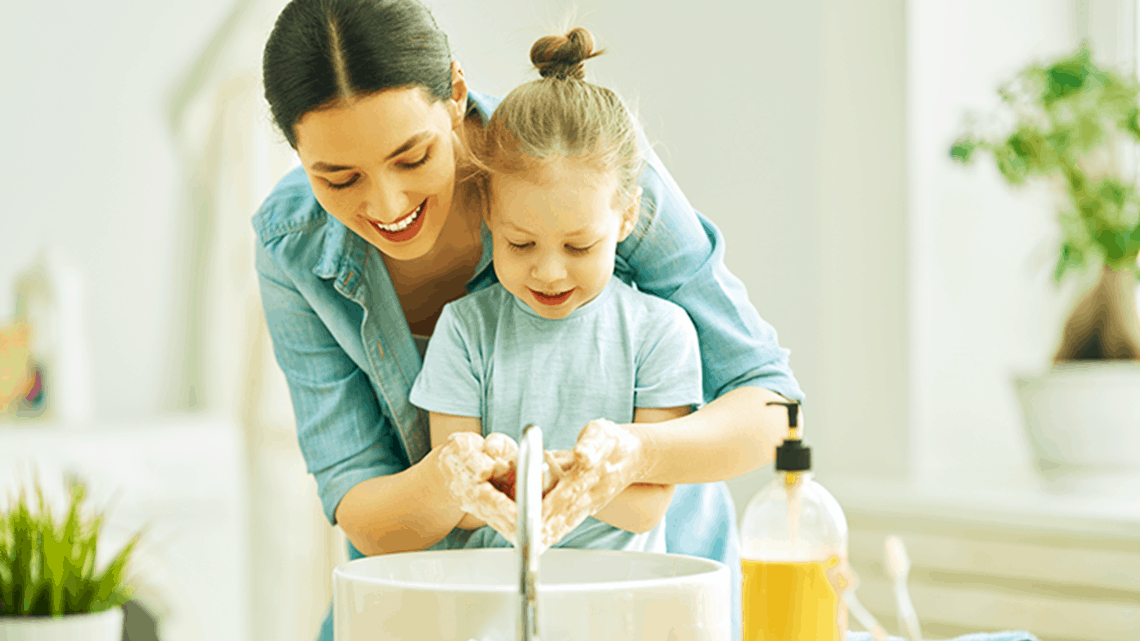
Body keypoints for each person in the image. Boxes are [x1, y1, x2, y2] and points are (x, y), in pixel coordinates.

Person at [254, 0, 804, 639]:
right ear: (296, 151)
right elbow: (362, 507)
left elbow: (770, 405)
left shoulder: (583, 163)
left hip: (645, 590)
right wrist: (447, 481)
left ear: (455, 94)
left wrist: (635, 455)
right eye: (339, 177)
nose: (387, 203)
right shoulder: (290, 243)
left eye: (411, 157)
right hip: (442, 602)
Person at [409, 27, 703, 555]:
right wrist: (567, 475)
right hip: (494, 604)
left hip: (623, 608)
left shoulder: (660, 334)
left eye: (579, 247)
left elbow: (645, 508)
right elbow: (461, 503)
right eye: (520, 244)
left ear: (627, 216)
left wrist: (537, 474)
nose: (548, 272)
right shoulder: (466, 330)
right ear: (490, 216)